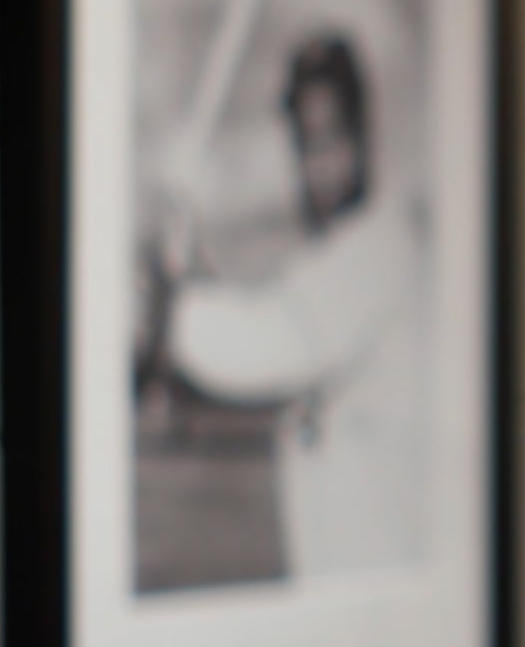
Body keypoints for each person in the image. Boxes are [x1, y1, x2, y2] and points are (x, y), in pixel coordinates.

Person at [144, 30, 429, 581]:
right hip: (343, 575)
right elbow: (270, 317)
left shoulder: (381, 250)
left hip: (379, 579)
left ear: (364, 135)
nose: (316, 168)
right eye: (304, 144)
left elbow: (266, 343)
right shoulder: (341, 257)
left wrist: (172, 294)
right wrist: (187, 262)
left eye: (330, 139)